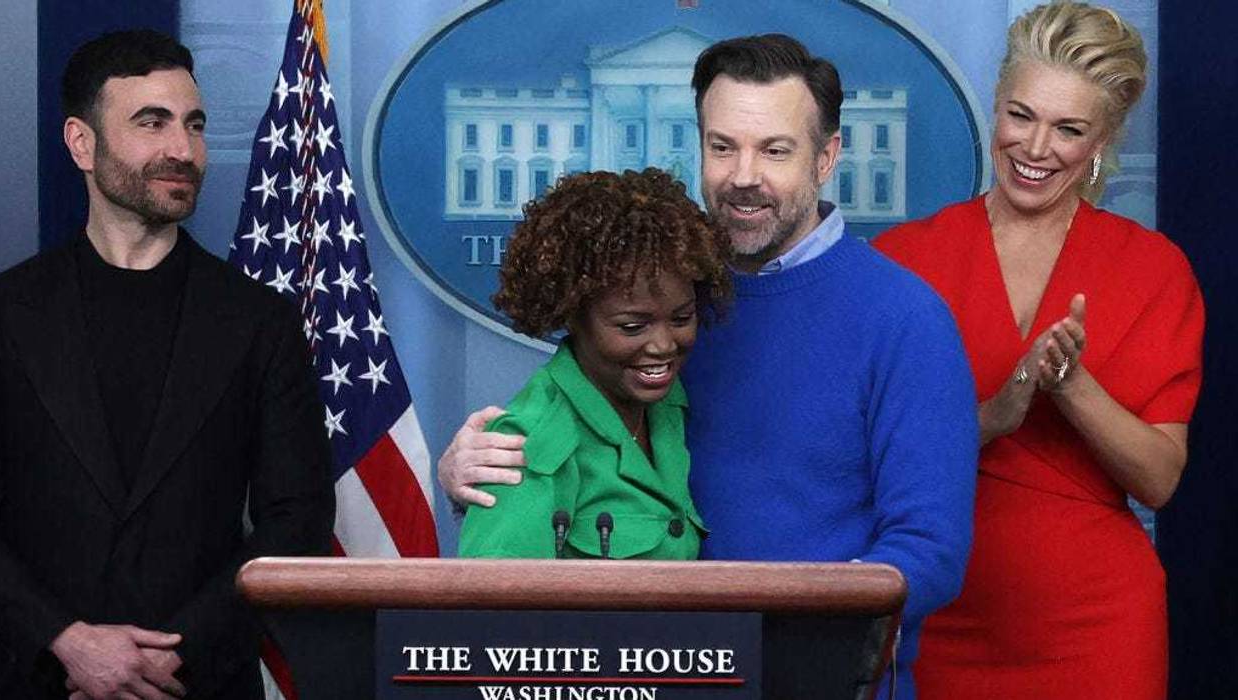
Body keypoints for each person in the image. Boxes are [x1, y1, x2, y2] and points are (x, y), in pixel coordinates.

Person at [440, 34, 979, 698]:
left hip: (823, 680)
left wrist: (764, 637)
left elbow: (929, 551)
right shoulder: (659, 290)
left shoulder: (905, 318)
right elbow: (574, 431)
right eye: (722, 147)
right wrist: (476, 467)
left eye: (774, 150)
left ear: (826, 157)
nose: (743, 174)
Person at [873, 3, 1203, 697]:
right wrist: (996, 412)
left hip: (1095, 628)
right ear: (995, 106)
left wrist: (1071, 384)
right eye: (1020, 115)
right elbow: (859, 458)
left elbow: (1159, 479)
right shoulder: (903, 260)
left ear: (1101, 141)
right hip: (937, 613)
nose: (1035, 147)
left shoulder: (1151, 268)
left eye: (1068, 129)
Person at [0, 30, 335, 700]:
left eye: (194, 125)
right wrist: (65, 640)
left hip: (198, 683)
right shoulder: (4, 313)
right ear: (81, 143)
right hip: (30, 680)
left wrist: (170, 658)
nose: (183, 150)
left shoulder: (261, 321)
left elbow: (296, 521)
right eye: (151, 123)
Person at [459, 168, 731, 560]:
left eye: (681, 318)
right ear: (574, 315)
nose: (664, 345)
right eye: (633, 326)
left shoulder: (670, 405)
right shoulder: (529, 443)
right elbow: (493, 612)